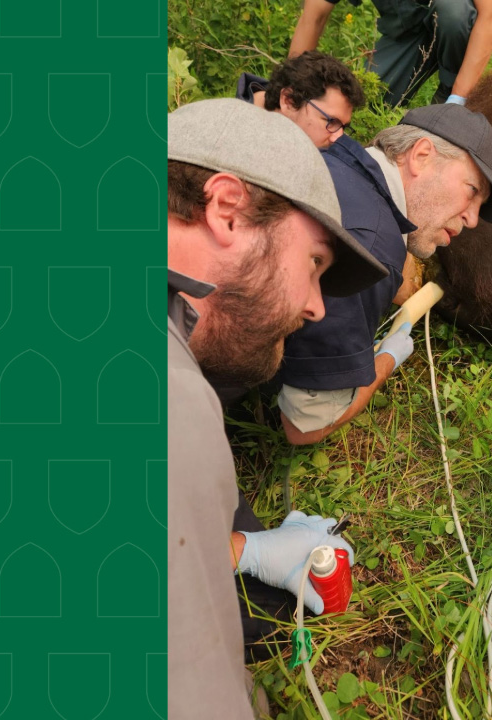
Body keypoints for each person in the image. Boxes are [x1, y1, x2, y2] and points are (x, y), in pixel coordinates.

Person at [167, 98, 387, 719]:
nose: (317, 307)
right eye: (314, 263)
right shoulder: (174, 400)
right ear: (227, 209)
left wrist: (243, 549)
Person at [277, 102, 492, 444]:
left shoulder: (336, 155)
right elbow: (304, 427)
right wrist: (388, 357)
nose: (473, 220)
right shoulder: (370, 251)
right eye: (472, 191)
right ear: (420, 156)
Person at [288, 0, 492, 106]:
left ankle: (448, 97)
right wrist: (291, 88)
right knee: (357, 105)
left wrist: (458, 98)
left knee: (455, 12)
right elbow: (313, 18)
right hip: (405, 34)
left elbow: (490, 16)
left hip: (456, 24)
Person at [235, 50, 365, 149]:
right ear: (288, 100)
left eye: (343, 126)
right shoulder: (232, 141)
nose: (338, 138)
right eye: (331, 121)